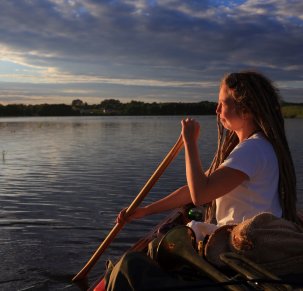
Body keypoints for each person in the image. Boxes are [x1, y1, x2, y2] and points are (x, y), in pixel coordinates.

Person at [117, 70, 298, 241]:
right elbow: (194, 188)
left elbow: (200, 195)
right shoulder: (257, 146)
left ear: (246, 110)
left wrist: (190, 142)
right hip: (249, 237)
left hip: (244, 243)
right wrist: (146, 210)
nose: (217, 110)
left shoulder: (252, 149)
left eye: (223, 103)